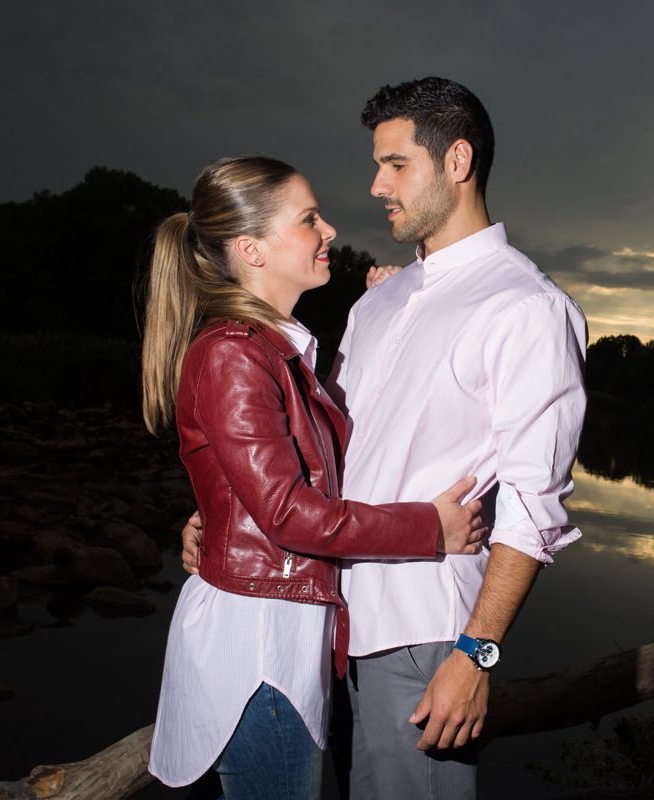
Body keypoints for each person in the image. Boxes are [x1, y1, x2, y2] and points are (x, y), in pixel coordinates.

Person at [184, 77, 588, 799]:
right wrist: (225, 511)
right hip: (325, 625)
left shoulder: (527, 308)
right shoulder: (382, 300)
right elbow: (323, 450)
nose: (375, 185)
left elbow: (534, 506)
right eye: (378, 164)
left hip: (421, 631)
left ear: (457, 162)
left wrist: (476, 654)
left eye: (396, 164)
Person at [141, 155, 487, 800]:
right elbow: (290, 514)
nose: (329, 230)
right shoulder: (233, 354)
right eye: (308, 220)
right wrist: (431, 527)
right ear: (252, 249)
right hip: (257, 648)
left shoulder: (279, 351)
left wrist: (391, 313)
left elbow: (325, 455)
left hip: (283, 633)